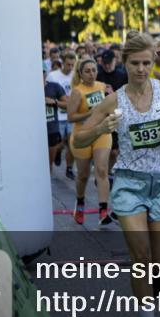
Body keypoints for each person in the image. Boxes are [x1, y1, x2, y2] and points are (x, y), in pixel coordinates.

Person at [72, 33, 160, 317]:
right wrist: (101, 129)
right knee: (140, 255)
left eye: (147, 62)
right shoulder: (113, 99)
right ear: (124, 64)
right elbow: (80, 140)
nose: (142, 69)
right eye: (135, 63)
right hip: (129, 182)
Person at [68, 58, 115, 226]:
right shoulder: (77, 91)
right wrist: (91, 113)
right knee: (83, 175)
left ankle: (103, 210)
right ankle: (80, 203)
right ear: (80, 73)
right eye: (87, 71)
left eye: (94, 70)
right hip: (82, 135)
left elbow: (111, 106)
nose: (91, 74)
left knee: (102, 170)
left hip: (102, 132)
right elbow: (71, 117)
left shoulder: (103, 86)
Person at [47, 51, 77, 178]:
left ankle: (69, 168)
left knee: (72, 143)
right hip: (57, 116)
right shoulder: (53, 76)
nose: (70, 67)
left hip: (71, 114)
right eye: (68, 64)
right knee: (58, 144)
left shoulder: (75, 76)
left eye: (72, 65)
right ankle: (57, 152)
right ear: (62, 63)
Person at [44, 70, 68, 176]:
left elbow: (67, 104)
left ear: (45, 74)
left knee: (48, 165)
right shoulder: (27, 87)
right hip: (34, 129)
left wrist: (54, 102)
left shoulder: (54, 87)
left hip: (51, 128)